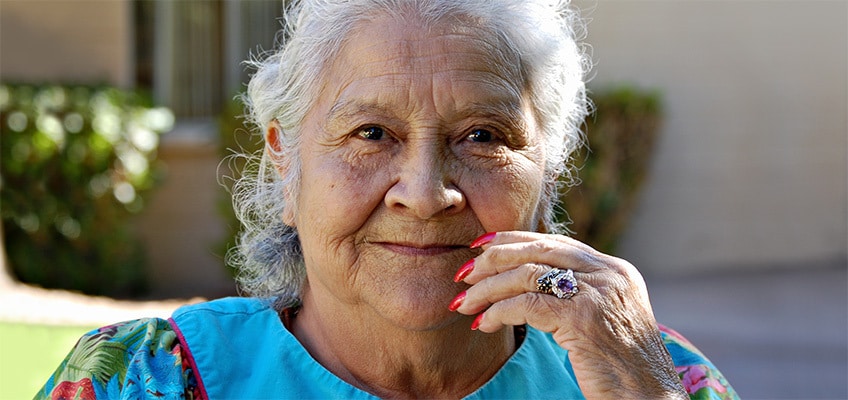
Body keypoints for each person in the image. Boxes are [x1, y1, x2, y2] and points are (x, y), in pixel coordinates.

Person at [38, 0, 737, 398]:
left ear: (547, 175)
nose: (426, 194)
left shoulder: (650, 375)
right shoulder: (143, 379)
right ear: (288, 166)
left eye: (483, 135)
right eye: (371, 133)